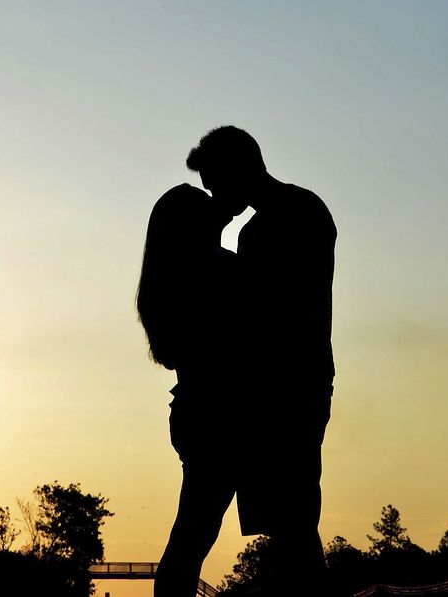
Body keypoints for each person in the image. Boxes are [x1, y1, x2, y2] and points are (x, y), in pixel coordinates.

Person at [185, 126, 337, 596]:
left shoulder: (270, 227)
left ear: (237, 169)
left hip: (283, 388)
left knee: (290, 521)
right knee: (291, 521)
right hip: (295, 381)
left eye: (214, 181)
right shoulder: (303, 209)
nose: (212, 194)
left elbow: (265, 311)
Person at [138, 183, 242, 597]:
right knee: (194, 536)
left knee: (192, 536)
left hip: (194, 409)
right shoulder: (221, 271)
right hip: (222, 412)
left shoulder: (168, 281)